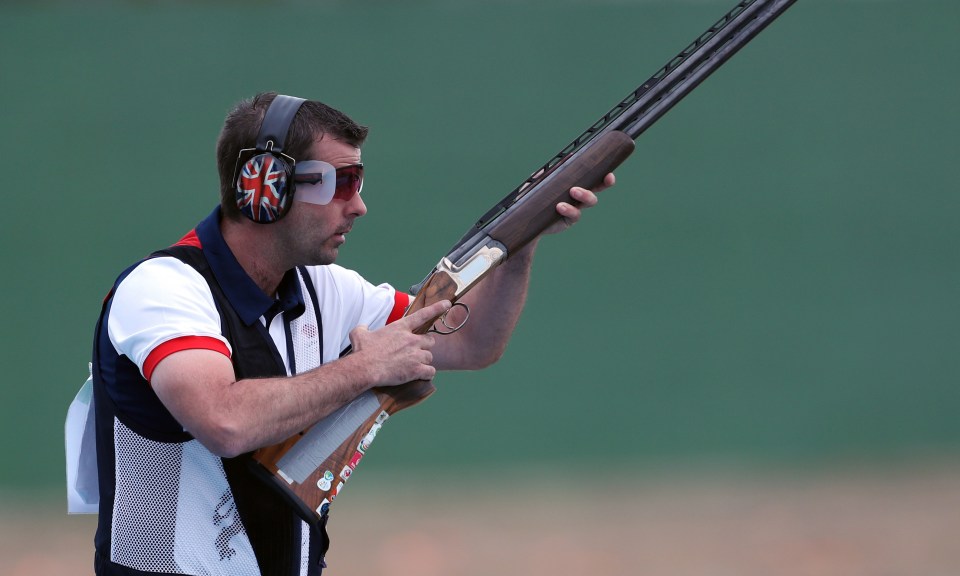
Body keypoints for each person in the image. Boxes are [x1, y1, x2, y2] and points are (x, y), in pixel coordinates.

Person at [90, 92, 615, 576]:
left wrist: (519, 248)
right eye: (338, 183)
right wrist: (366, 367)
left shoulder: (324, 290)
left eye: (358, 183)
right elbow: (224, 421)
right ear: (264, 185)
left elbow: (471, 343)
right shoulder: (163, 288)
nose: (358, 205)